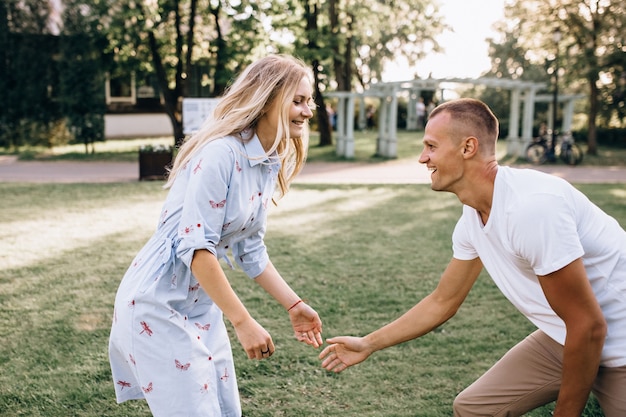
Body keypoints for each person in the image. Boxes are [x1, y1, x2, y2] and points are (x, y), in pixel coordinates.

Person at [320, 98, 626, 416]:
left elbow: (589, 326)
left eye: (431, 146)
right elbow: (443, 301)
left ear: (468, 148)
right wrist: (369, 343)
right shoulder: (472, 218)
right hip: (565, 337)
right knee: (474, 409)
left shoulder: (531, 209)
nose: (423, 158)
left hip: (617, 342)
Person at [109, 54, 323, 417]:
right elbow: (196, 249)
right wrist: (243, 320)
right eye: (298, 101)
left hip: (202, 305)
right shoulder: (221, 154)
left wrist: (294, 305)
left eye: (309, 101)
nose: (308, 111)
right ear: (269, 99)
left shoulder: (267, 160)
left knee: (223, 410)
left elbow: (250, 248)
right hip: (156, 304)